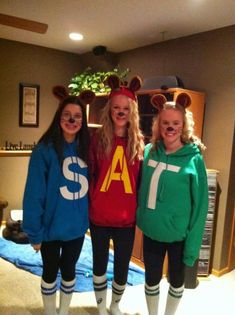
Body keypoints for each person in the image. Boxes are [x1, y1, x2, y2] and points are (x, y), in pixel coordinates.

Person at [22, 86, 95, 315]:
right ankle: (50, 312)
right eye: (67, 115)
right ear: (59, 117)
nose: (72, 120)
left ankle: (63, 312)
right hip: (51, 227)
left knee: (70, 269)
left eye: (77, 116)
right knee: (50, 271)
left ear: (83, 120)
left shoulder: (88, 148)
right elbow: (34, 194)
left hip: (76, 226)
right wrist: (34, 231)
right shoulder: (44, 150)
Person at [137, 93, 209, 315]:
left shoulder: (194, 159)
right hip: (151, 231)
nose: (170, 127)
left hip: (179, 235)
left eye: (176, 123)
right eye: (166, 123)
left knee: (177, 281)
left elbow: (201, 205)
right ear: (159, 125)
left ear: (184, 125)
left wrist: (193, 245)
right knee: (151, 279)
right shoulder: (149, 152)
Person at [89, 75, 145, 315]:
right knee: (99, 263)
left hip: (126, 218)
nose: (120, 112)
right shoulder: (96, 139)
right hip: (99, 215)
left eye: (125, 108)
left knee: (122, 265)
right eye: (116, 108)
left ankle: (115, 305)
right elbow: (89, 174)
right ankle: (101, 307)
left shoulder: (139, 142)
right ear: (109, 110)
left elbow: (142, 180)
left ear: (131, 111)